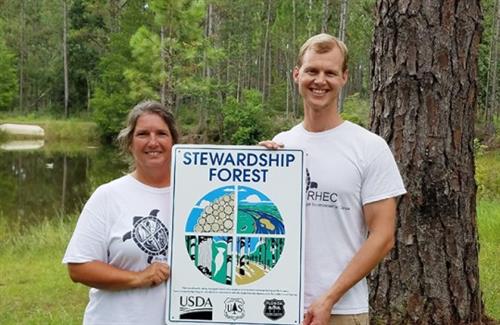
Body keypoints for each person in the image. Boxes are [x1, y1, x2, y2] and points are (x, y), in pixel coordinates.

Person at [260, 33, 406, 325]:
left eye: (330, 72)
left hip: (342, 309)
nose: (320, 80)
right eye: (312, 70)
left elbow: (383, 236)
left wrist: (330, 297)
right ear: (296, 74)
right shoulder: (281, 145)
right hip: (276, 305)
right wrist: (254, 170)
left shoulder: (369, 147)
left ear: (344, 78)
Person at [63, 100, 178, 325]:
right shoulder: (108, 196)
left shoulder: (195, 195)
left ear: (174, 141)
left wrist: (267, 161)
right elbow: (78, 267)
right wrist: (138, 277)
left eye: (161, 134)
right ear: (129, 143)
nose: (153, 142)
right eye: (143, 134)